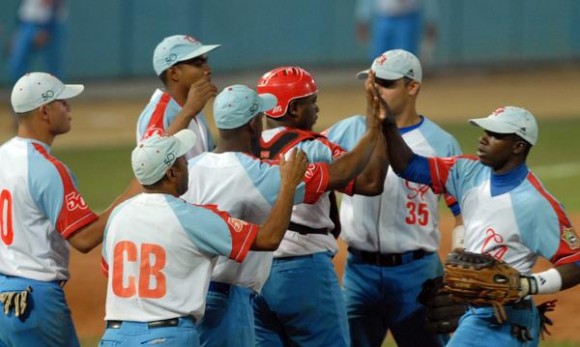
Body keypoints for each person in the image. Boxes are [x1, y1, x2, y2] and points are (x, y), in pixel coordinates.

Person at [182, 83, 386, 347]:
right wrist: (373, 129)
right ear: (254, 124)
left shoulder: (191, 168)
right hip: (233, 298)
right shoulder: (258, 174)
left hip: (197, 295)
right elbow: (342, 173)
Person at [379, 98, 580, 346]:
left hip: (507, 319)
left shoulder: (536, 204)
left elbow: (575, 263)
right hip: (475, 314)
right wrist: (388, 125)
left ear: (518, 146)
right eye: (485, 131)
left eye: (495, 135)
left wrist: (525, 285)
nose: (483, 139)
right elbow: (408, 165)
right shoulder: (466, 171)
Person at [99, 129, 308, 347]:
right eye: (182, 161)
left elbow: (110, 270)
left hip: (114, 337)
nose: (188, 164)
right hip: (166, 337)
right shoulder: (193, 218)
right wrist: (288, 185)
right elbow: (269, 238)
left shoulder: (118, 215)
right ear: (171, 173)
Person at [324, 49, 463, 347]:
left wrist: (456, 272)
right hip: (359, 273)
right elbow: (310, 175)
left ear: (412, 87)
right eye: (372, 82)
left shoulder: (440, 142)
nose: (376, 90)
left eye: (386, 83)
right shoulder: (345, 131)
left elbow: (462, 210)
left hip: (417, 274)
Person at [252, 66, 389, 346]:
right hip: (303, 273)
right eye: (310, 102)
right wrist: (377, 128)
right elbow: (371, 183)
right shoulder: (314, 147)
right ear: (292, 110)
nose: (316, 109)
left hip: (252, 276)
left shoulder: (242, 149)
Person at [0, 72, 137, 347]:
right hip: (35, 299)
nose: (70, 108)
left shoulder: (3, 156)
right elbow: (84, 238)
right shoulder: (48, 169)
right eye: (63, 102)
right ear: (44, 111)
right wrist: (135, 191)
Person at [135, 34, 219, 158]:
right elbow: (150, 161)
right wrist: (188, 111)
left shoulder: (193, 105)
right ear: (174, 73)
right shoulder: (160, 112)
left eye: (205, 62)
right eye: (198, 64)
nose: (208, 70)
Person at [355, 0, 439, 61]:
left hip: (409, 17)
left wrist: (431, 19)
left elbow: (429, 3)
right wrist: (363, 18)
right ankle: (379, 82)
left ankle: (405, 82)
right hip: (384, 16)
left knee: (406, 57)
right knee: (379, 57)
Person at [8, 0, 66, 82]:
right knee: (17, 62)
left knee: (53, 64)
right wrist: (16, 33)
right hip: (26, 23)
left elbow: (56, 4)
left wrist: (47, 30)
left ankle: (55, 91)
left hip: (49, 24)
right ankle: (23, 90)